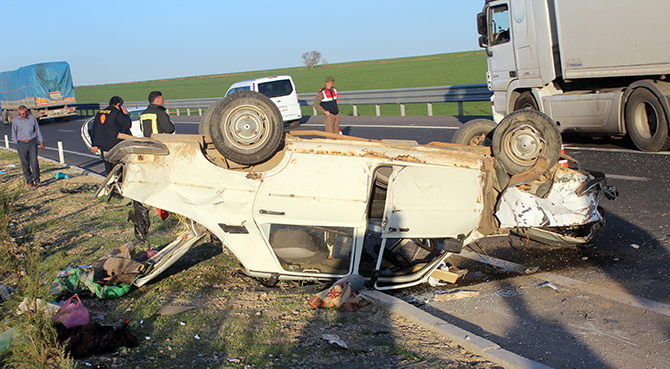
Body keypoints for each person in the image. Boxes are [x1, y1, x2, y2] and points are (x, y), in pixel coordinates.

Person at [90, 96, 132, 174]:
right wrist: (126, 115)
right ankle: (117, 183)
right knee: (117, 167)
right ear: (118, 105)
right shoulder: (117, 113)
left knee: (108, 167)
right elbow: (127, 125)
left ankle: (110, 182)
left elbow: (95, 129)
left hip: (103, 145)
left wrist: (94, 144)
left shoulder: (100, 112)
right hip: (114, 145)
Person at [10, 106, 45, 187]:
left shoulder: (32, 119)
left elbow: (37, 130)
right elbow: (14, 132)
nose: (22, 115)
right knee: (25, 163)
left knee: (34, 162)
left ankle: (37, 179)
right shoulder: (16, 121)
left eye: (24, 113)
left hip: (32, 142)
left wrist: (41, 142)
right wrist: (16, 143)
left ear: (26, 112)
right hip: (21, 143)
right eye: (21, 114)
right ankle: (29, 181)